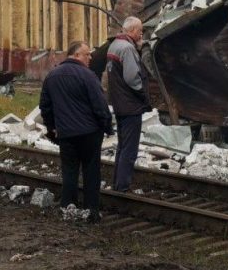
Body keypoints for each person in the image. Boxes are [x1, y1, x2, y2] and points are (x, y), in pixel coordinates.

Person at [40, 40, 113, 221]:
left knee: (69, 170)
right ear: (77, 55)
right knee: (91, 171)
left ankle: (68, 207)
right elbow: (100, 105)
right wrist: (106, 126)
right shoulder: (88, 76)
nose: (90, 57)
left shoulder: (52, 76)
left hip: (66, 133)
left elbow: (45, 107)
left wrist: (52, 128)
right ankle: (91, 210)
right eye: (87, 54)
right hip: (90, 133)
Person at [106, 16, 149, 192]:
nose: (141, 34)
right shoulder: (127, 48)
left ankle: (117, 182)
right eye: (140, 31)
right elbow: (132, 77)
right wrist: (142, 92)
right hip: (130, 105)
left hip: (119, 103)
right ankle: (123, 186)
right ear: (132, 31)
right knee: (130, 148)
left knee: (122, 146)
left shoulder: (115, 45)